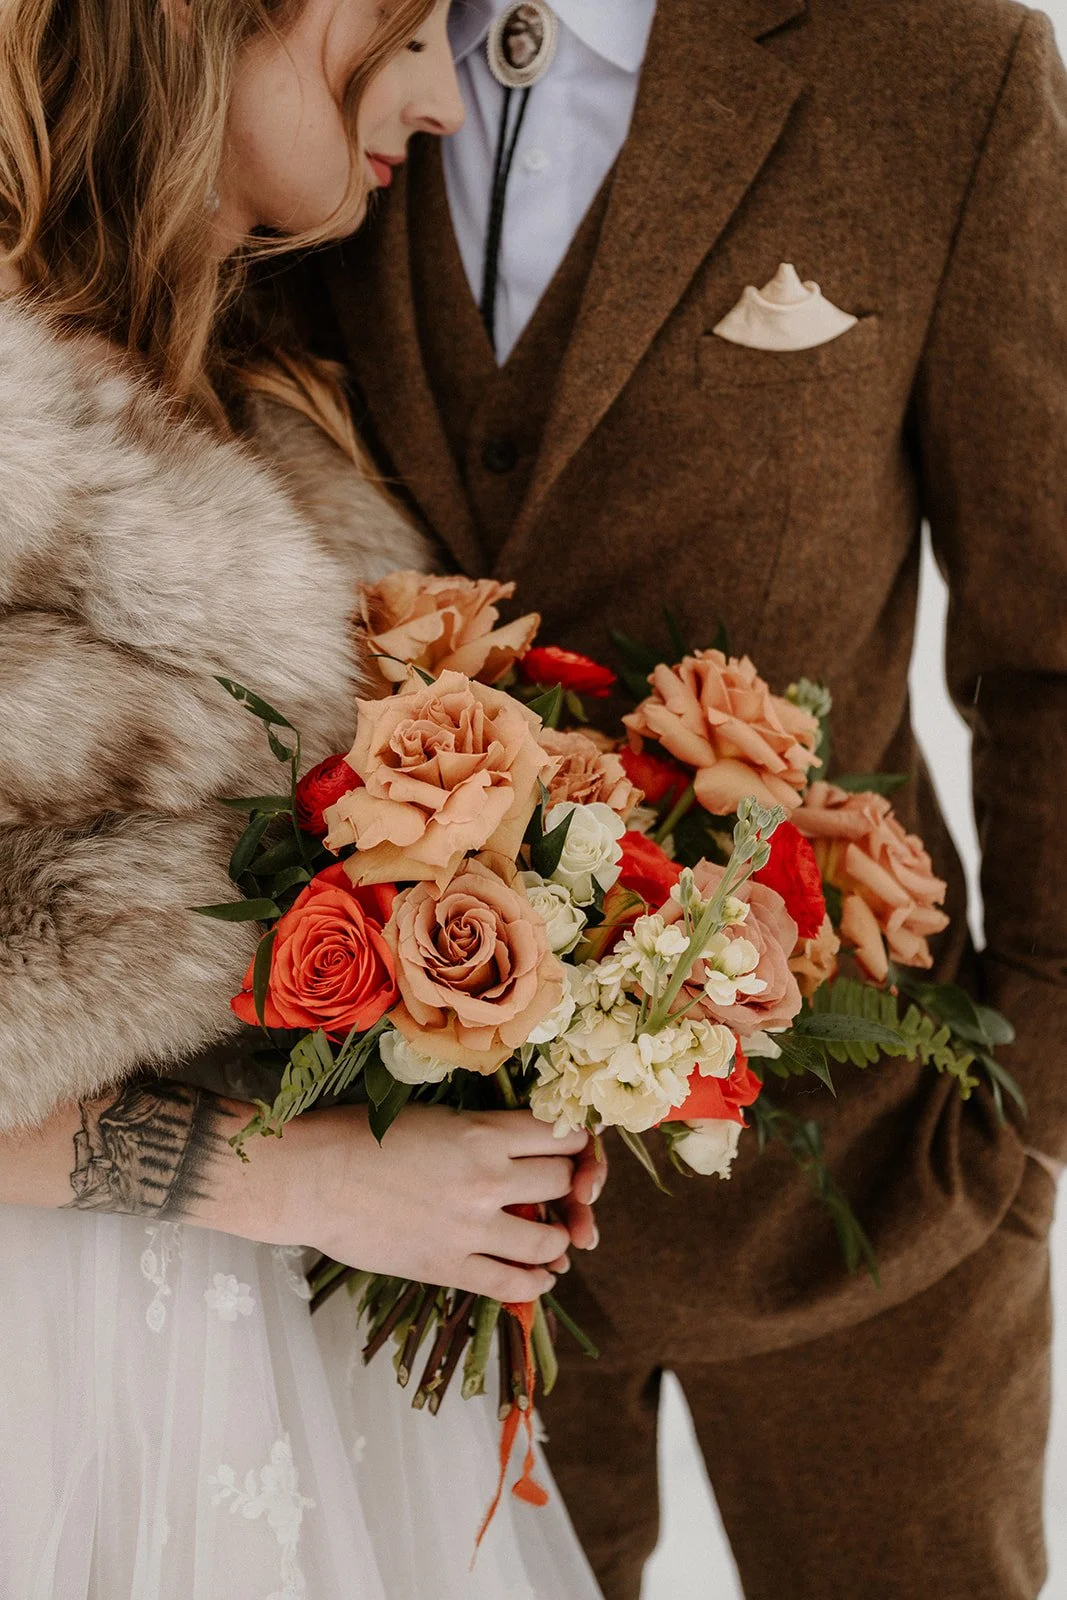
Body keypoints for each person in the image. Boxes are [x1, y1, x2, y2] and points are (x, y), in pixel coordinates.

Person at [285, 0, 1067, 1594]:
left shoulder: (942, 66)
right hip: (392, 1227)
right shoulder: (279, 40)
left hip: (867, 1193)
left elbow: (1051, 637)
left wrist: (1024, 1108)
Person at [0, 2, 605, 1596]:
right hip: (47, 1376)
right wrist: (313, 1180)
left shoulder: (266, 406)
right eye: (401, 34)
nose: (441, 99)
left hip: (304, 1359)